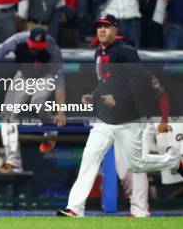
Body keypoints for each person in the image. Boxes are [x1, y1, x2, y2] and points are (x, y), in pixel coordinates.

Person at [57, 14, 182, 218]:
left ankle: (175, 162)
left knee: (137, 164)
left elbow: (140, 84)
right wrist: (94, 95)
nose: (102, 30)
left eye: (106, 26)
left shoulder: (126, 51)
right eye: (99, 26)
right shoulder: (98, 52)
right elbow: (104, 82)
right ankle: (75, 208)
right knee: (90, 156)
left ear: (115, 29)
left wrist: (118, 98)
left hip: (129, 119)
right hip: (105, 119)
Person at [0, 27, 66, 172]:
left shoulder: (52, 48)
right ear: (28, 40)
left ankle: (51, 133)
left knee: (38, 102)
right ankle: (14, 162)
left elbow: (59, 81)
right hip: (24, 75)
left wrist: (61, 112)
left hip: (46, 75)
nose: (35, 50)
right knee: (7, 114)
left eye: (38, 47)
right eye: (33, 47)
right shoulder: (17, 40)